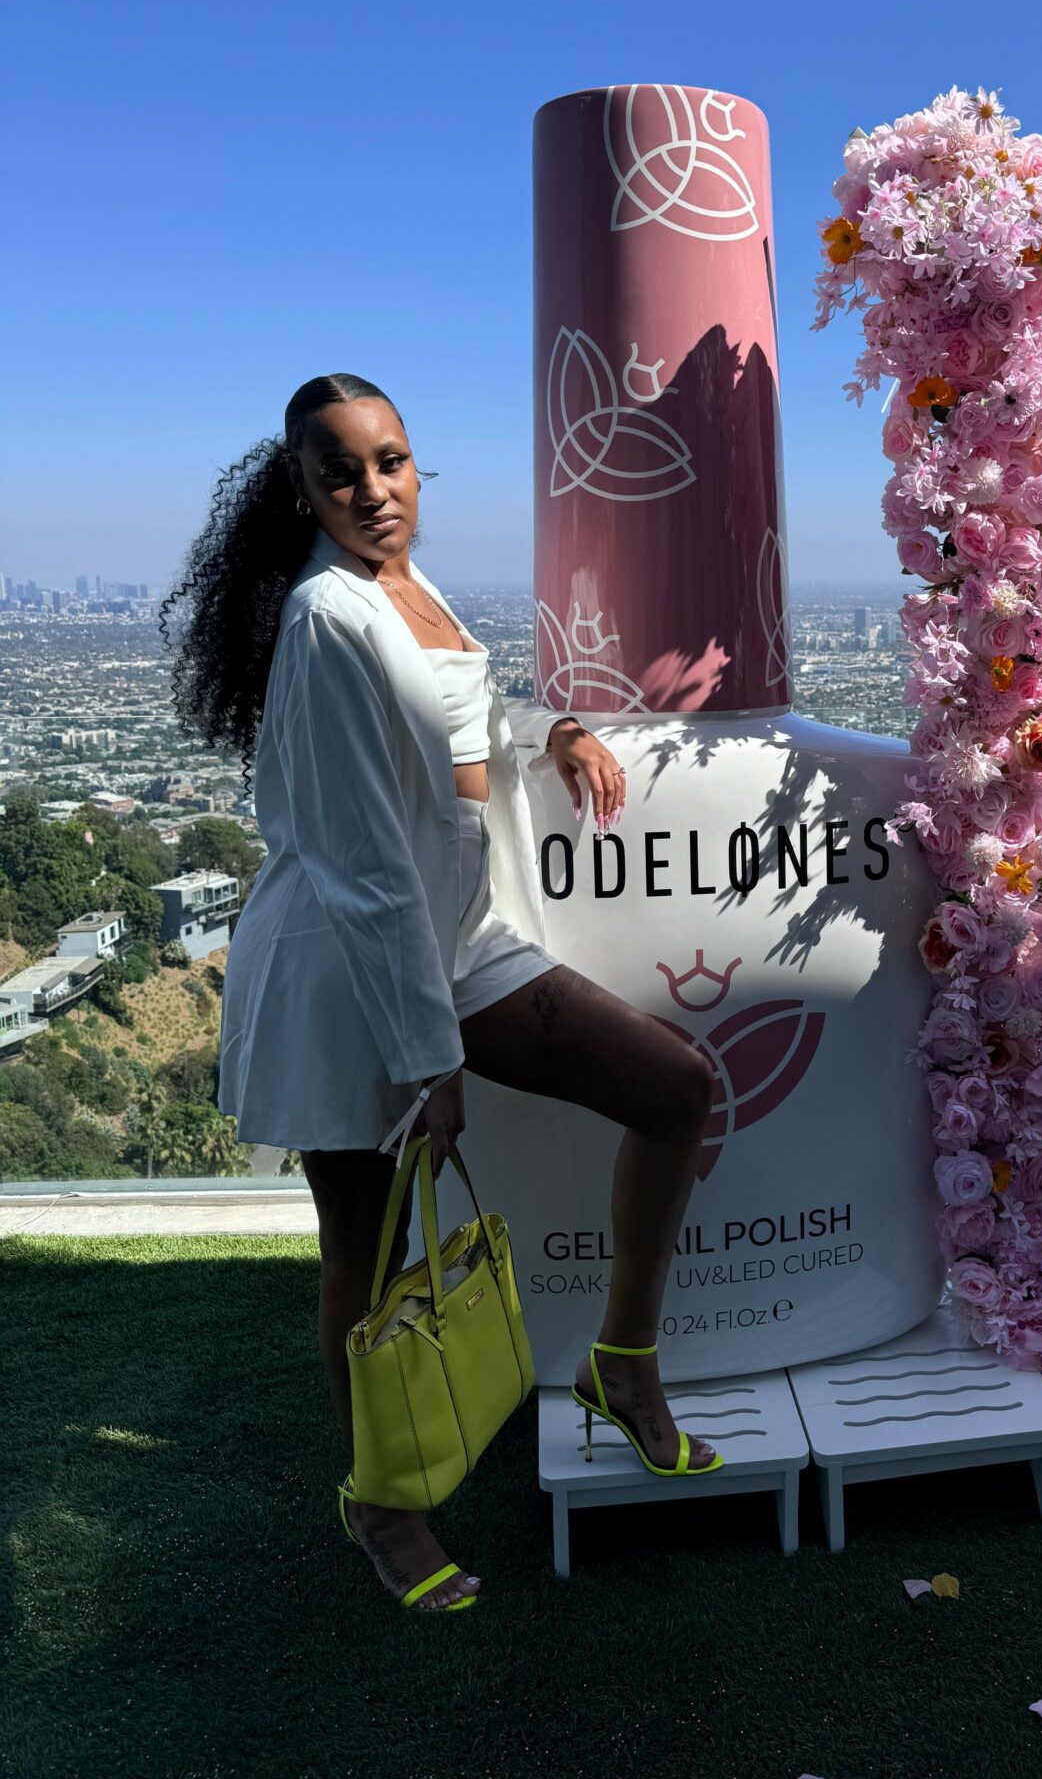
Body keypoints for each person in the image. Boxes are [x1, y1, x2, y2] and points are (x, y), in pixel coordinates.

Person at [160, 372, 722, 1613]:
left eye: (393, 462)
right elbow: (360, 866)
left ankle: (624, 1361)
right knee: (361, 1247)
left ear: (418, 468)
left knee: (675, 1086)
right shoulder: (322, 616)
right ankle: (381, 1499)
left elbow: (453, 724)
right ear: (299, 487)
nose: (375, 489)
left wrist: (552, 730)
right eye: (343, 470)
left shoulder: (402, 589)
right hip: (348, 969)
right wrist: (429, 1056)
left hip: (455, 938)